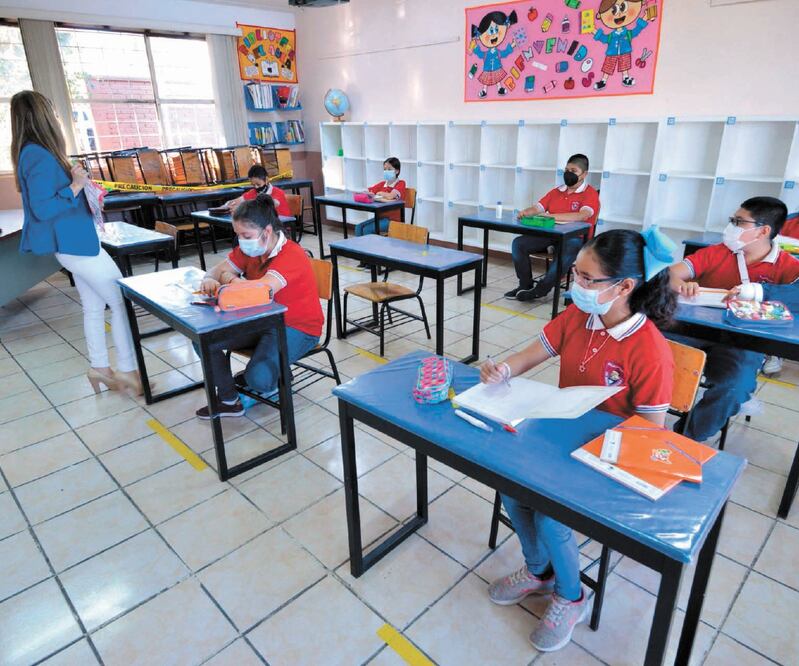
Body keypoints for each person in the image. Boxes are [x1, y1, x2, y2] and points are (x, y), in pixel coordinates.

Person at [482, 227, 676, 653]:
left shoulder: (650, 348)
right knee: (512, 489)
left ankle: (571, 596)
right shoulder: (577, 317)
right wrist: (506, 371)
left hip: (607, 457)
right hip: (559, 439)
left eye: (588, 280)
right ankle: (539, 572)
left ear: (625, 286)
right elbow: (535, 352)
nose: (577, 286)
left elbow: (651, 431)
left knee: (552, 517)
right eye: (575, 274)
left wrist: (601, 447)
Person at [11, 90, 142, 395]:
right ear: (43, 116)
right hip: (75, 244)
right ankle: (128, 371)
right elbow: (44, 208)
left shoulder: (32, 152)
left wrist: (78, 183)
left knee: (94, 305)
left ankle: (100, 368)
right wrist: (75, 184)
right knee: (122, 299)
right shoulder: (37, 154)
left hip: (74, 243)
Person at [668, 196, 799, 442]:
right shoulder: (718, 252)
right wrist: (680, 284)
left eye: (739, 222)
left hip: (740, 343)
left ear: (763, 231)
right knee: (645, 349)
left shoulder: (786, 266)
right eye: (732, 220)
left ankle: (685, 438)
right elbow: (670, 274)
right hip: (693, 331)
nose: (731, 227)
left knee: (734, 387)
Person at [195, 194, 323, 418]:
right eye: (238, 235)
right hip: (259, 320)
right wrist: (209, 277)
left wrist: (230, 279)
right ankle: (229, 399)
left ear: (267, 232)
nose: (242, 241)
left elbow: (258, 293)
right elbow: (218, 270)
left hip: (297, 327)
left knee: (259, 379)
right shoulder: (251, 249)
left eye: (246, 235)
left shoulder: (292, 254)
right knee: (204, 339)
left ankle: (272, 374)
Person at [506, 154, 600, 301]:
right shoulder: (557, 191)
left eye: (573, 170)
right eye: (566, 170)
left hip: (576, 238)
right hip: (551, 234)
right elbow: (539, 207)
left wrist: (551, 216)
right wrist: (526, 212)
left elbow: (582, 215)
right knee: (518, 243)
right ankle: (525, 285)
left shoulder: (590, 194)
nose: (568, 174)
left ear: (584, 174)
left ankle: (541, 290)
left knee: (567, 249)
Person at [355, 157, 407, 237]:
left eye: (389, 169)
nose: (386, 172)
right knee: (358, 227)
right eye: (385, 169)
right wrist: (370, 193)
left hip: (393, 221)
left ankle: (368, 249)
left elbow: (390, 196)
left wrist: (380, 193)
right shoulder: (382, 184)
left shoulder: (401, 183)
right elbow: (368, 192)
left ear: (397, 171)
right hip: (380, 217)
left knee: (366, 230)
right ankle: (357, 249)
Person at [224, 164, 291, 217]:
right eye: (253, 185)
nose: (256, 187)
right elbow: (236, 201)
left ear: (266, 180)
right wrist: (226, 205)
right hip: (264, 227)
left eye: (258, 184)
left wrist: (241, 208)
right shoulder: (253, 192)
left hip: (281, 228)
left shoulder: (278, 192)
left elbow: (270, 204)